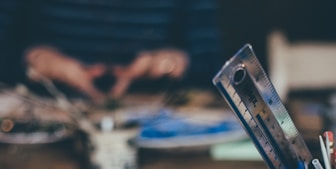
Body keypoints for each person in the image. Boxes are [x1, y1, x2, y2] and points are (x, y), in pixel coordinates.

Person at [0, 0, 223, 101]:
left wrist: (173, 63)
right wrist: (33, 60)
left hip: (158, 133)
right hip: (46, 123)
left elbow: (211, 65)